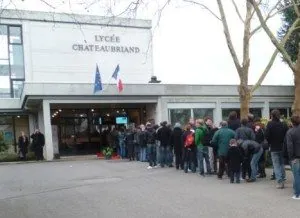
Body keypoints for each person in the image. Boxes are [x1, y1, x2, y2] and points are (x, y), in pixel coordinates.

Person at [265, 109, 288, 189]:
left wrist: (270, 142)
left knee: (276, 165)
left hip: (274, 147)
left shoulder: (270, 124)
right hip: (283, 146)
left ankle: (280, 181)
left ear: (272, 115)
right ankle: (283, 177)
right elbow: (287, 135)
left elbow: (267, 136)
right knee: (281, 164)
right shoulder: (284, 124)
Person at [286, 115, 300, 200]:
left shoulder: (290, 132)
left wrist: (291, 158)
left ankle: (297, 194)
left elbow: (290, 147)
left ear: (292, 122)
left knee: (297, 176)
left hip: (296, 157)